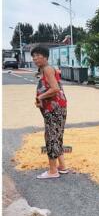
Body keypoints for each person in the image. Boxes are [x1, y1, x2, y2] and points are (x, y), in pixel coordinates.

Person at [32, 46, 68, 179]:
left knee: (51, 137)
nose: (35, 58)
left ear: (45, 57)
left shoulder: (47, 69)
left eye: (38, 55)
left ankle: (53, 171)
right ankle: (62, 166)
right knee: (56, 136)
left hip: (54, 109)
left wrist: (40, 97)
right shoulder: (47, 69)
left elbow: (55, 89)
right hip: (56, 108)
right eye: (33, 56)